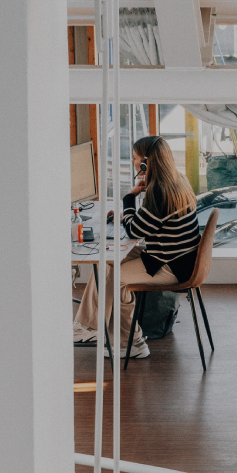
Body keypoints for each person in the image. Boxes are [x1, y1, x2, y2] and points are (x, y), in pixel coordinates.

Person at [74, 135, 201, 359]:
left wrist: (129, 198)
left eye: (134, 158)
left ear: (145, 162)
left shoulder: (159, 192)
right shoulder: (178, 180)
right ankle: (91, 327)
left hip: (169, 266)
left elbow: (135, 231)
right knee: (108, 261)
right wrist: (127, 216)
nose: (132, 162)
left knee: (114, 277)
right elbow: (144, 224)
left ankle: (125, 341)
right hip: (175, 257)